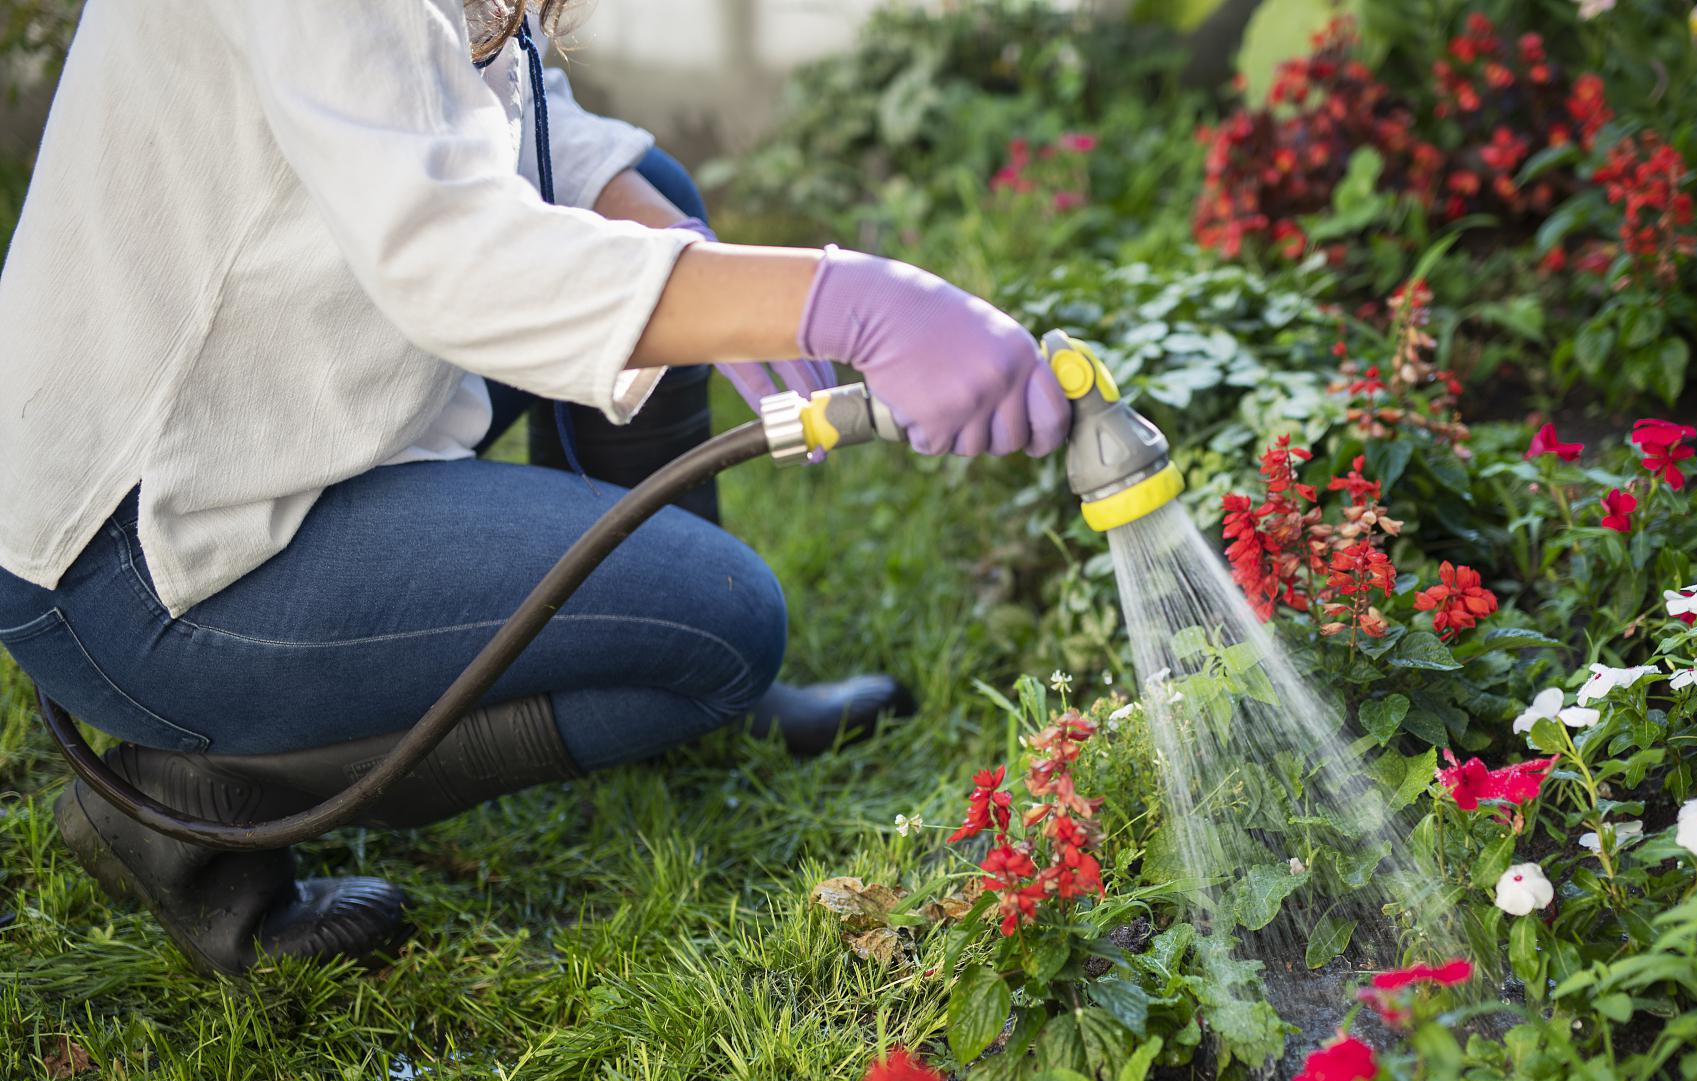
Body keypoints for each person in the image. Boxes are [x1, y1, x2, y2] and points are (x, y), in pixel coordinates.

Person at [0, 0, 1072, 977]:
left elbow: (481, 115)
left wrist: (674, 243)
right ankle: (192, 806)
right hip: (140, 550)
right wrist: (850, 299)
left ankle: (663, 692)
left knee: (656, 210)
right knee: (727, 630)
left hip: (256, 408)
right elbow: (458, 263)